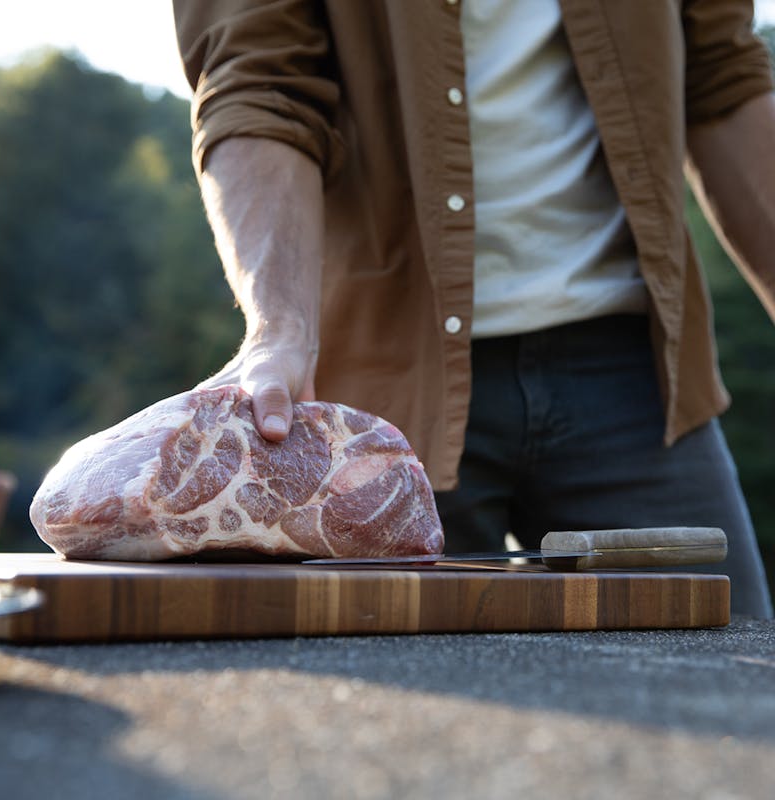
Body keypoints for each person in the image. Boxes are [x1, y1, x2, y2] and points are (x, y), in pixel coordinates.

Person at [173, 0, 775, 617]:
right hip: (384, 396)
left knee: (741, 685)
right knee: (395, 704)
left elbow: (722, 76)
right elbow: (259, 87)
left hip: (636, 375)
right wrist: (280, 327)